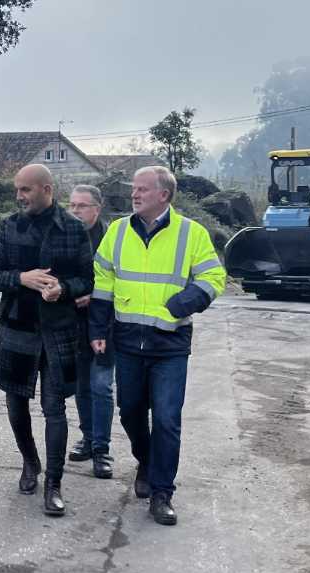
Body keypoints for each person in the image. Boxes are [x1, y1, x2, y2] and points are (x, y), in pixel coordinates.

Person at [89, 166, 226, 525]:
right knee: (131, 412)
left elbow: (214, 277)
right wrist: (98, 329)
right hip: (129, 340)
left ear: (164, 195)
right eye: (134, 189)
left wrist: (180, 306)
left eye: (143, 190)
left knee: (166, 418)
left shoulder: (191, 234)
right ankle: (147, 461)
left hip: (170, 343)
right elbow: (103, 281)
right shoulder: (117, 232)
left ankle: (162, 491)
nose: (134, 195)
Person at [0, 164, 93, 517]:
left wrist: (63, 289)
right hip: (18, 328)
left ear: (47, 189)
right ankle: (30, 462)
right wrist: (22, 279)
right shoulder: (9, 226)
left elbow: (87, 279)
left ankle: (54, 484)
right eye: (18, 189)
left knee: (55, 408)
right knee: (16, 405)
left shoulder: (74, 229)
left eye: (26, 190)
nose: (19, 196)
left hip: (59, 330)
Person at [67, 184, 141, 481]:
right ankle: (87, 437)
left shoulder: (115, 238)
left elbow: (124, 279)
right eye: (71, 205)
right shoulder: (66, 236)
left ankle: (101, 450)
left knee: (101, 387)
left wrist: (94, 295)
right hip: (73, 324)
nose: (75, 211)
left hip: (107, 324)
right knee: (82, 387)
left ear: (97, 209)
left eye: (81, 206)